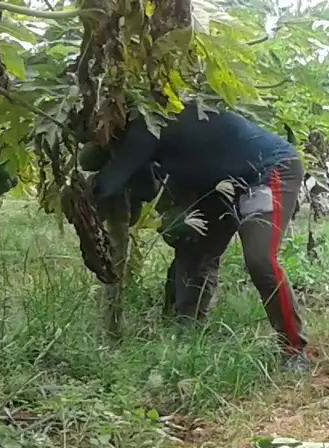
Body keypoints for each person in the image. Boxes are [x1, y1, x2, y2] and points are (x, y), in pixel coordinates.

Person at [90, 102, 309, 371]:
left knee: (259, 259)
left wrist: (82, 196)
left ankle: (294, 350)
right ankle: (187, 336)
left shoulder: (145, 123)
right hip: (215, 184)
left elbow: (107, 184)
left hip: (264, 172)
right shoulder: (137, 136)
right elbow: (145, 189)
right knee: (195, 253)